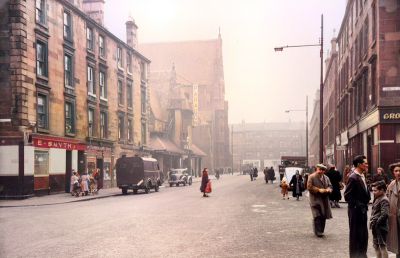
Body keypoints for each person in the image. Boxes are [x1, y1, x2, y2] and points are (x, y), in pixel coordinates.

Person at [344, 155, 371, 258]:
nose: (367, 165)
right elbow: (347, 196)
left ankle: (362, 255)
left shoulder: (362, 175)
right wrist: (358, 205)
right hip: (356, 212)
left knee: (363, 235)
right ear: (359, 164)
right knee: (355, 236)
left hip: (362, 210)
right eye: (366, 163)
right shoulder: (353, 178)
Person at [307, 164, 333, 237]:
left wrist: (329, 189)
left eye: (323, 170)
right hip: (315, 199)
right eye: (320, 169)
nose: (321, 171)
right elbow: (309, 187)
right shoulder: (311, 177)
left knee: (323, 215)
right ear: (317, 169)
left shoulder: (326, 178)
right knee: (317, 215)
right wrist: (318, 190)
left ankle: (321, 230)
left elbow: (330, 186)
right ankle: (318, 231)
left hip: (324, 199)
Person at [370, 180, 389, 258]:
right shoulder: (378, 197)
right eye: (373, 190)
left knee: (382, 245)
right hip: (376, 226)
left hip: (380, 227)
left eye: (375, 190)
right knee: (376, 245)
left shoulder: (384, 199)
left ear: (382, 190)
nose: (373, 192)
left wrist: (377, 222)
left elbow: (385, 214)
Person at [387, 162, 400, 257]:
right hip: (395, 217)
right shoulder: (391, 185)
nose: (398, 172)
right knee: (397, 240)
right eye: (396, 171)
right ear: (393, 173)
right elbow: (387, 199)